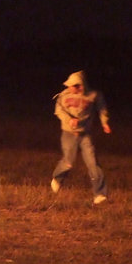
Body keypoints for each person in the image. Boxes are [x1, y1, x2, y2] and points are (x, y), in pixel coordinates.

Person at [50, 70, 110, 204]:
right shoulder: (64, 96)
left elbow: (101, 107)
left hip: (85, 134)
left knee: (92, 163)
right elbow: (58, 110)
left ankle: (99, 194)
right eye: (70, 86)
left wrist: (104, 122)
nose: (70, 88)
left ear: (80, 85)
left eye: (73, 86)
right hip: (68, 133)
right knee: (68, 162)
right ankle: (57, 178)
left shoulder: (92, 95)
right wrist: (69, 119)